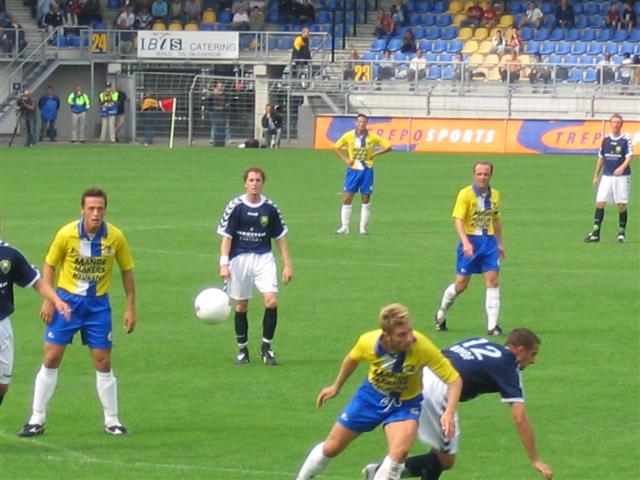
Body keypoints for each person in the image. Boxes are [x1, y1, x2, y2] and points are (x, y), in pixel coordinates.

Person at [295, 303, 462, 480]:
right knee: (331, 447)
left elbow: (454, 379)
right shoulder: (368, 342)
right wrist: (336, 386)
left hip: (405, 405)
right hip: (370, 398)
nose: (409, 338)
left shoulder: (422, 346)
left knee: (399, 454)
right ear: (387, 336)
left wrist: (449, 413)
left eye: (410, 331)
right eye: (402, 335)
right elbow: (352, 359)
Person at [18, 187, 136, 437]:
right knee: (51, 358)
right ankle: (36, 418)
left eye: (100, 208)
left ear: (106, 210)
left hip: (98, 307)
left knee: (103, 362)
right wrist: (48, 300)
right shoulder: (66, 234)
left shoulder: (115, 237)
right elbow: (49, 264)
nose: (96, 213)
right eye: (91, 208)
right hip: (66, 303)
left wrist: (130, 307)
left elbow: (126, 270)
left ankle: (112, 420)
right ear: (82, 210)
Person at [363, 328, 553, 480]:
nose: (533, 360)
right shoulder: (509, 367)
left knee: (440, 453)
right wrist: (535, 459)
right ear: (520, 350)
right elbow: (519, 417)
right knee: (445, 459)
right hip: (441, 389)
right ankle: (382, 473)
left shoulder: (480, 341)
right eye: (533, 354)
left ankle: (380, 472)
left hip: (423, 375)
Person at [217, 167, 293, 365]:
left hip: (263, 258)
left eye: (258, 180)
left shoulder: (270, 208)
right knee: (241, 306)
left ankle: (266, 348)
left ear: (262, 183)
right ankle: (243, 350)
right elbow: (226, 238)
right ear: (245, 183)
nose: (254, 183)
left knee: (271, 302)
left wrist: (287, 264)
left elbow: (280, 238)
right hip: (239, 259)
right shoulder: (235, 206)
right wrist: (223, 264)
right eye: (251, 180)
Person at [0, 219, 70, 407]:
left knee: (2, 386)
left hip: (2, 326)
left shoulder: (9, 255)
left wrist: (56, 300)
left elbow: (36, 281)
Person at [435, 161, 505, 336]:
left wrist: (499, 243)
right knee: (461, 285)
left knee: (493, 281)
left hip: (488, 242)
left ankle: (492, 326)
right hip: (471, 241)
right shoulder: (465, 194)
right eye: (479, 173)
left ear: (491, 176)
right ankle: (442, 312)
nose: (482, 177)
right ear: (474, 175)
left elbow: (495, 219)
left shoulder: (495, 195)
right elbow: (458, 219)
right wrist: (465, 242)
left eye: (486, 174)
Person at [334, 113, 392, 235]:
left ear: (367, 123)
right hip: (353, 170)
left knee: (365, 198)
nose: (361, 124)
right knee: (347, 197)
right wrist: (345, 160)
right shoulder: (349, 136)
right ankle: (344, 227)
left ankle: (362, 228)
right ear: (356, 122)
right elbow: (336, 147)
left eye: (364, 122)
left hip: (367, 170)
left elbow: (388, 146)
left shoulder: (372, 137)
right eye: (359, 122)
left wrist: (375, 154)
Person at [585, 114, 634, 243]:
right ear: (610, 124)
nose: (616, 124)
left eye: (618, 122)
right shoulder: (605, 140)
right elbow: (601, 157)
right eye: (614, 122)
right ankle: (596, 232)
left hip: (621, 177)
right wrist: (596, 175)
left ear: (621, 124)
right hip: (607, 176)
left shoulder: (625, 139)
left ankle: (621, 233)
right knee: (600, 202)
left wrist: (622, 167)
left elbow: (629, 156)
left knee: (621, 204)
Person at [205, 81, 228, 147]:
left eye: (222, 86)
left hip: (223, 114)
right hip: (214, 114)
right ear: (216, 87)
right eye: (220, 86)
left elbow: (227, 104)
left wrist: (224, 108)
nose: (222, 88)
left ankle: (222, 142)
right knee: (216, 127)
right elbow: (209, 105)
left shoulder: (225, 95)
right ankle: (215, 141)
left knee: (223, 128)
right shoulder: (212, 95)